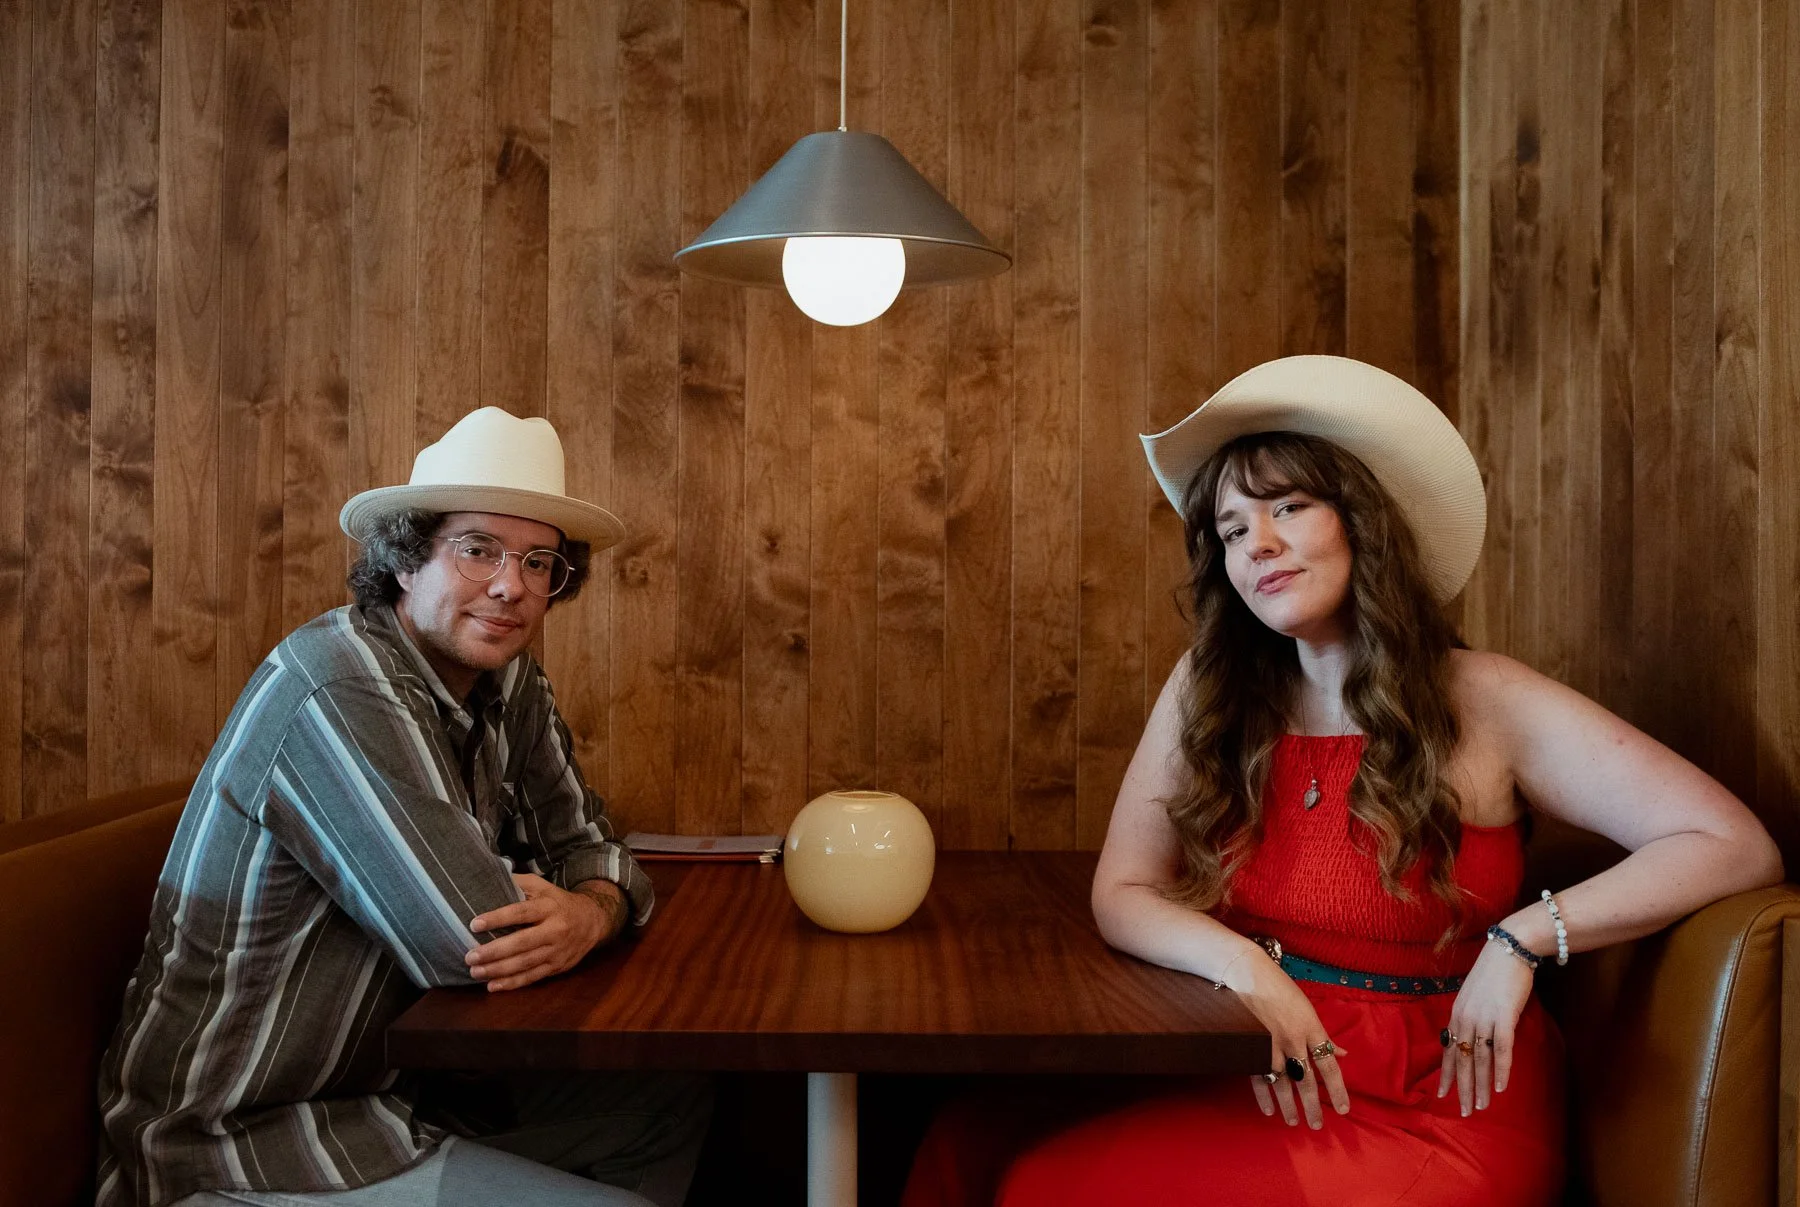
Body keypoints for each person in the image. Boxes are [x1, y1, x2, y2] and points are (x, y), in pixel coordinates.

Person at [902, 356, 1784, 1206]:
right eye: (1234, 529)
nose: (1262, 545)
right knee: (960, 1142)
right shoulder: (1212, 687)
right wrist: (1242, 963)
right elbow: (1121, 890)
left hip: (1442, 1106)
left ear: (1361, 519)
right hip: (1253, 1058)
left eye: (1288, 505)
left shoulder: (1485, 698)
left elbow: (1732, 842)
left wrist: (1524, 939)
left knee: (1042, 1188)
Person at [96, 408, 711, 1207]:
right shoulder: (339, 682)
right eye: (477, 548)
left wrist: (592, 911)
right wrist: (584, 901)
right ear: (404, 558)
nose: (509, 585)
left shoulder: (509, 682)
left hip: (388, 1098)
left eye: (538, 561)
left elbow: (592, 842)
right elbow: (470, 939)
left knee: (666, 1101)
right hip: (240, 1141)